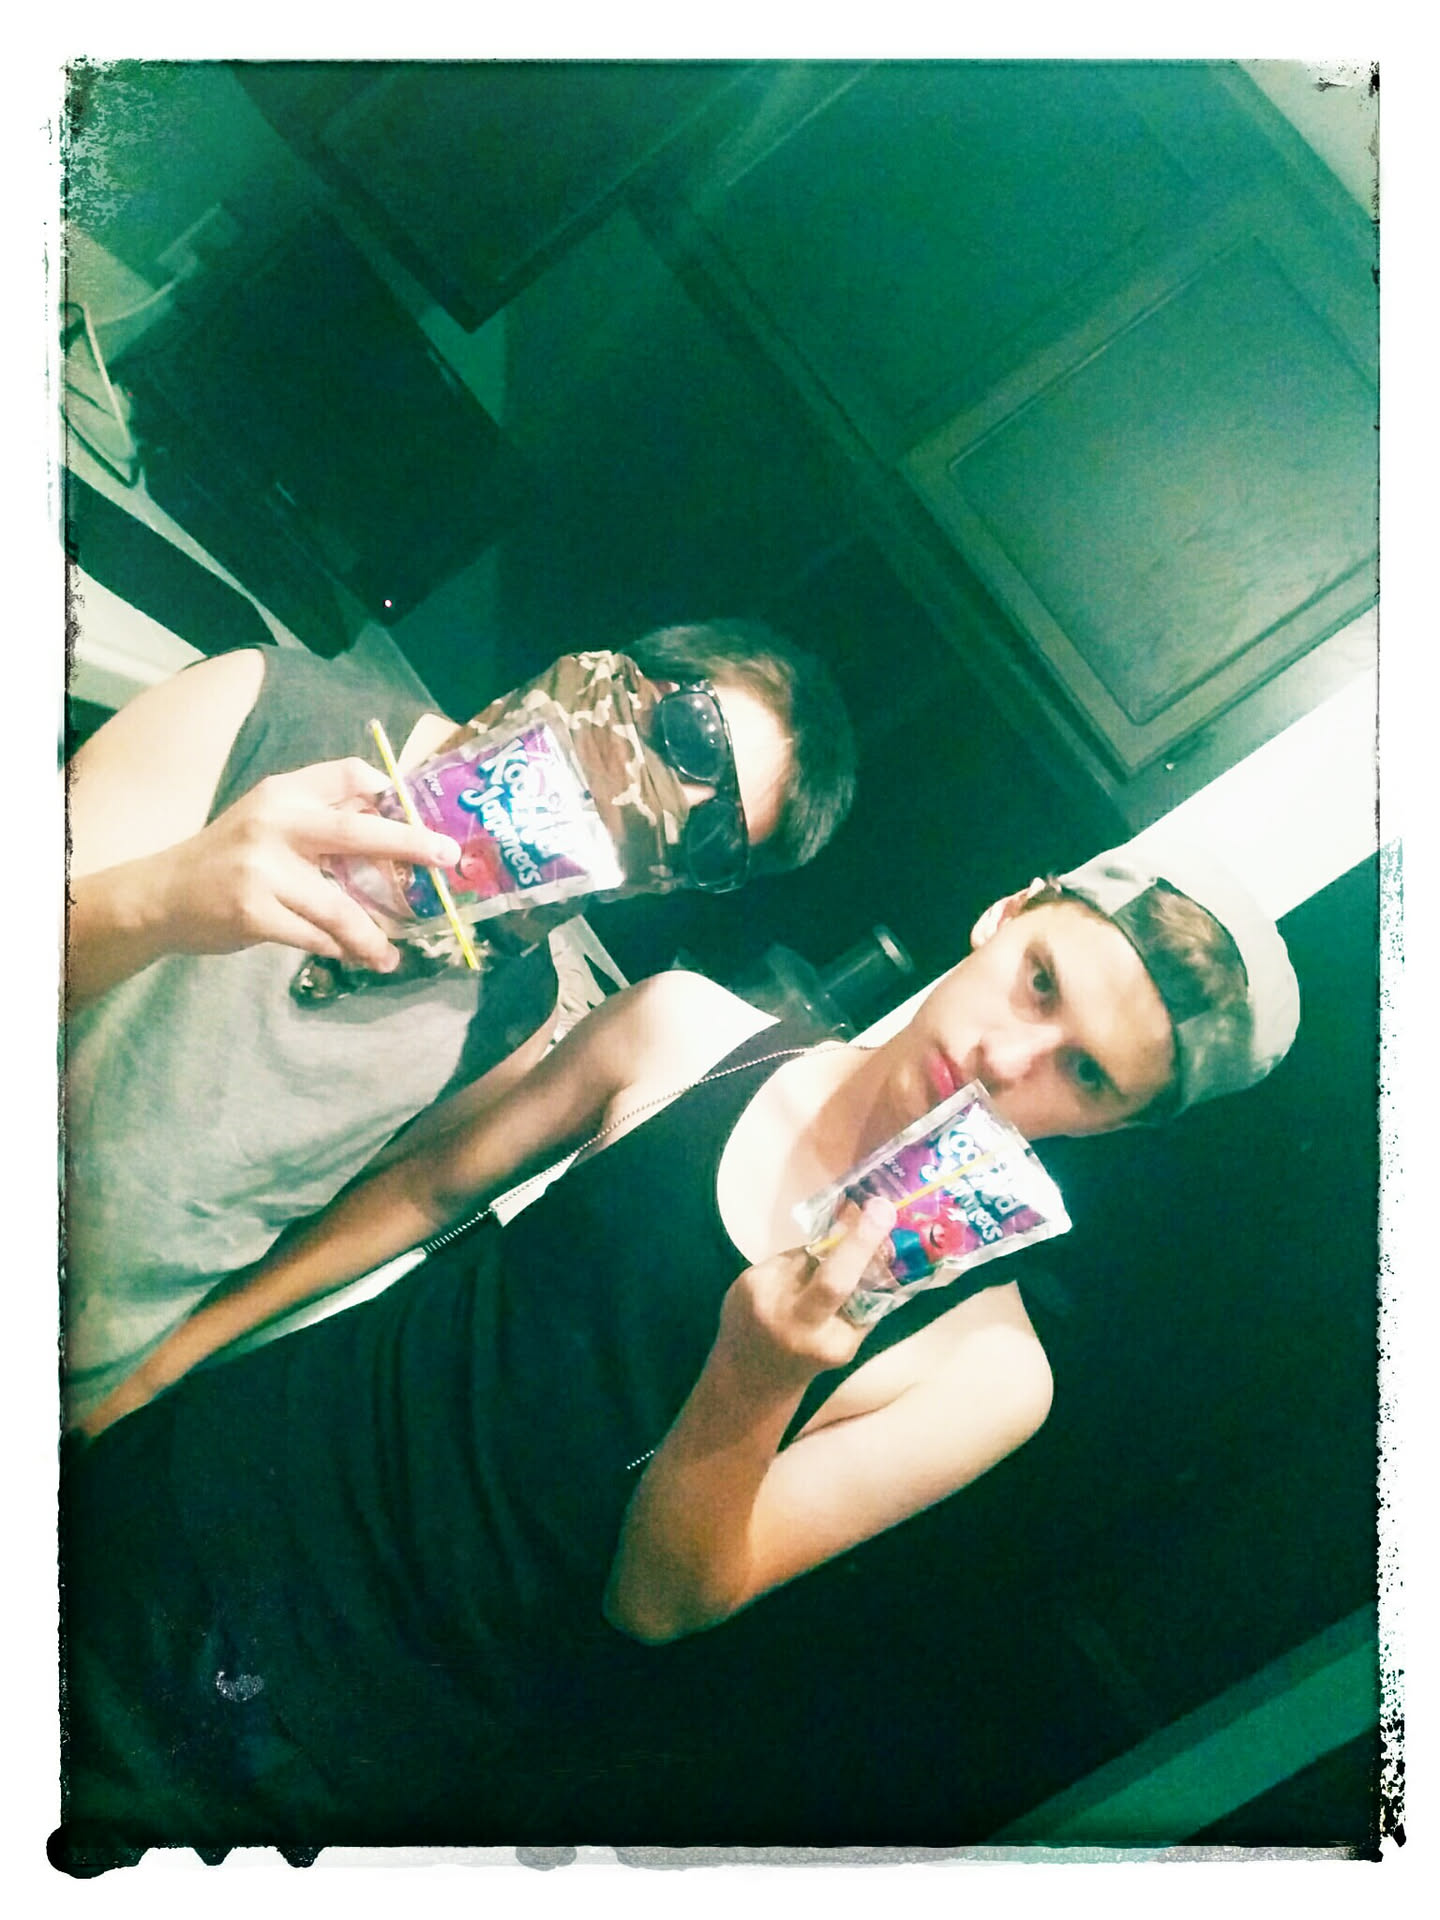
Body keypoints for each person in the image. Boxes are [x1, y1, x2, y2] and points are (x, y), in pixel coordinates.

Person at [56, 837, 1300, 1858]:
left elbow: (657, 1603)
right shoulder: (687, 1032)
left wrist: (757, 1379)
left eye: (1085, 1074)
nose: (1007, 1062)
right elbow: (431, 1187)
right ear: (1007, 912)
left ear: (1113, 1126)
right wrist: (163, 1364)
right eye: (1040, 982)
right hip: (215, 1469)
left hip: (343, 1715)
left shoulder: (988, 1373)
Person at [63, 623, 856, 1426]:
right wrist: (161, 901)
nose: (673, 810)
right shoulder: (270, 717)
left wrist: (154, 1375)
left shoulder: (516, 1019)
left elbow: (323, 1206)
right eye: (692, 738)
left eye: (714, 839)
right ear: (617, 674)